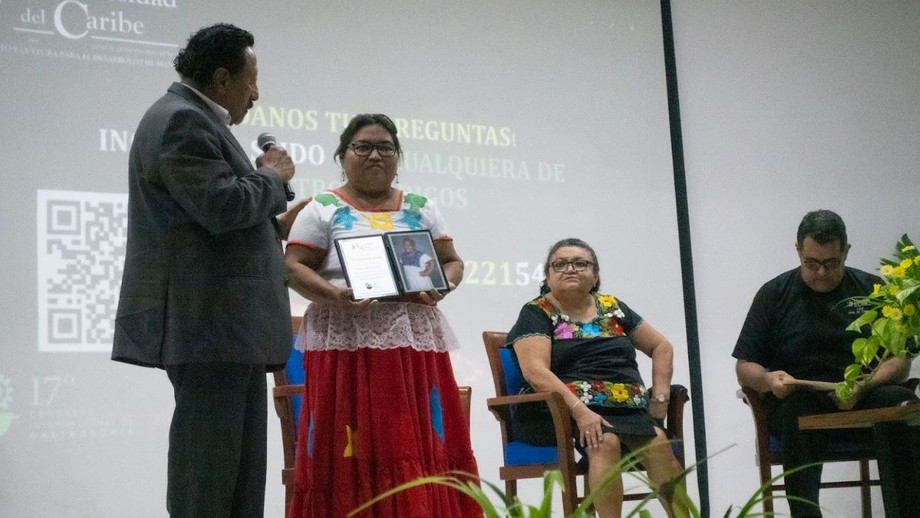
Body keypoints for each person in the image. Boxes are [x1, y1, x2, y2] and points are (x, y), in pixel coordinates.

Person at [112, 23, 305, 517]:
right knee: (208, 485)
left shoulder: (193, 118)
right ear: (222, 79)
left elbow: (213, 220)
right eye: (251, 80)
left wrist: (278, 225)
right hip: (210, 330)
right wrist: (272, 177)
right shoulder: (182, 120)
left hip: (230, 334)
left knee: (238, 489)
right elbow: (219, 206)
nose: (256, 94)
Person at [284, 113, 480, 517]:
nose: (375, 155)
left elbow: (453, 261)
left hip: (411, 342)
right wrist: (335, 296)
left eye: (385, 148)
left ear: (397, 157)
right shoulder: (322, 208)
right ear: (343, 156)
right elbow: (292, 266)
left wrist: (442, 284)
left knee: (413, 441)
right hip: (346, 343)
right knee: (349, 445)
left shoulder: (422, 207)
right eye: (363, 146)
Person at [732, 209, 917, 517]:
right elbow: (744, 366)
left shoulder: (874, 291)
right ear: (798, 251)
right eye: (811, 264)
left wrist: (865, 384)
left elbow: (900, 359)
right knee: (796, 410)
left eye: (831, 263)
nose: (820, 273)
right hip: (800, 401)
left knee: (901, 402)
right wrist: (768, 380)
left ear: (846, 251)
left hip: (864, 396)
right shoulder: (774, 294)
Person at [506, 238, 687, 518]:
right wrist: (580, 411)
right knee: (603, 441)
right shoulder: (536, 312)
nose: (570, 269)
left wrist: (661, 395)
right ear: (548, 275)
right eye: (560, 264)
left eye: (581, 263)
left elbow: (661, 347)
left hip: (625, 408)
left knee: (659, 444)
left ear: (595, 275)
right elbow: (535, 372)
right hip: (560, 410)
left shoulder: (613, 307)